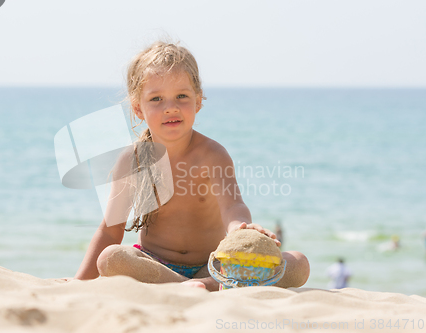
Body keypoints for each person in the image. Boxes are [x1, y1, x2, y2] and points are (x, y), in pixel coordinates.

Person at [73, 41, 310, 291]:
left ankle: (200, 283)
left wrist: (240, 228)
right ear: (137, 108)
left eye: (181, 96)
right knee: (110, 258)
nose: (171, 107)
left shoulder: (212, 155)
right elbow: (110, 232)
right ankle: (201, 287)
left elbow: (233, 206)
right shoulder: (132, 160)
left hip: (211, 265)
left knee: (298, 262)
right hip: (154, 265)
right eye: (156, 99)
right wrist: (78, 282)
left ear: (198, 101)